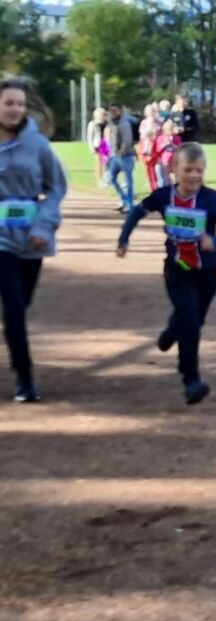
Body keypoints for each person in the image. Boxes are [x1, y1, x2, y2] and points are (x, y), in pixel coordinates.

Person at [116, 143, 216, 404]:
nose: (194, 175)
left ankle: (172, 331)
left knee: (193, 321)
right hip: (177, 270)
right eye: (188, 170)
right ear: (174, 169)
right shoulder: (164, 196)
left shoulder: (212, 199)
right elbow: (137, 213)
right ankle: (191, 380)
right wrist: (123, 240)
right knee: (190, 323)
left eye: (199, 170)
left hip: (207, 273)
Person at [0, 78, 67, 403]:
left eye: (20, 104)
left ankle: (15, 345)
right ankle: (25, 379)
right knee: (13, 305)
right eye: (8, 103)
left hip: (31, 238)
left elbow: (56, 189)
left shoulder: (38, 145)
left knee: (19, 307)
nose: (15, 109)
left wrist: (44, 226)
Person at [106, 102, 137, 213]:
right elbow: (109, 139)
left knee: (128, 181)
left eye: (115, 110)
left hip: (126, 156)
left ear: (120, 111)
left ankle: (130, 204)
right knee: (111, 178)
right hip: (115, 156)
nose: (112, 113)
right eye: (111, 110)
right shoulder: (111, 123)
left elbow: (127, 141)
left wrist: (120, 153)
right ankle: (124, 199)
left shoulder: (124, 123)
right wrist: (110, 153)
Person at [138, 103, 162, 192]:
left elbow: (161, 134)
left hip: (156, 147)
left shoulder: (159, 122)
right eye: (149, 111)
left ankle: (157, 186)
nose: (151, 113)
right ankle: (152, 186)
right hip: (146, 147)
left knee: (158, 168)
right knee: (148, 167)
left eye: (152, 111)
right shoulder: (144, 123)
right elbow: (142, 135)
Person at [152, 120, 181, 189]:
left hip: (174, 160)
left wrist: (173, 145)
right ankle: (163, 190)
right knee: (164, 178)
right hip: (163, 161)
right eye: (168, 131)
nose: (170, 133)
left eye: (171, 131)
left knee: (174, 177)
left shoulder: (176, 138)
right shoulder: (161, 138)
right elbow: (157, 150)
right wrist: (164, 144)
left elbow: (180, 148)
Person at [86, 107, 107, 187]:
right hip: (97, 145)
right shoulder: (92, 124)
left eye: (103, 114)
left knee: (106, 162)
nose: (103, 116)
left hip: (105, 144)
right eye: (101, 115)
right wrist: (91, 148)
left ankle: (105, 178)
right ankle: (99, 180)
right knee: (99, 163)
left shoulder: (107, 123)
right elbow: (90, 137)